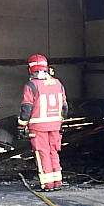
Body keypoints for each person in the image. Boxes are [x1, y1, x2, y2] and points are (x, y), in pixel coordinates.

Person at [18, 54, 68, 191]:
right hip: (55, 126)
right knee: (53, 152)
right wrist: (60, 122)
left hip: (38, 127)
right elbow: (65, 107)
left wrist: (21, 126)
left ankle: (47, 184)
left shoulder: (31, 85)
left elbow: (27, 108)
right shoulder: (58, 83)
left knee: (42, 154)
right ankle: (57, 181)